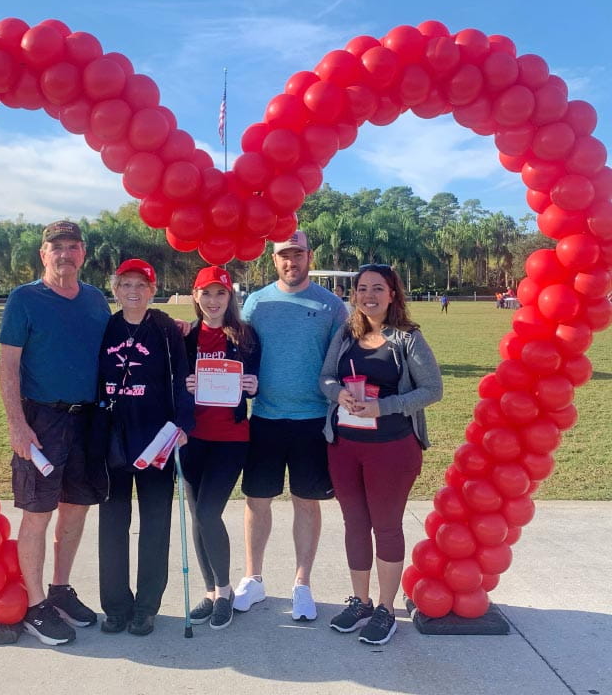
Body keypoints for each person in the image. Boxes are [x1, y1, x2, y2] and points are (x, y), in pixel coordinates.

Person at [0, 220, 111, 646]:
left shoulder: (96, 300)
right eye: (56, 246)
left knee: (77, 508)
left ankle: (61, 589)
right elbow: (8, 365)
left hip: (87, 420)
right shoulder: (25, 299)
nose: (65, 253)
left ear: (83, 253)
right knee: (37, 513)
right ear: (43, 254)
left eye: (73, 246)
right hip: (41, 419)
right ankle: (34, 604)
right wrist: (16, 423)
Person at [319, 264, 443, 645]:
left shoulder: (407, 338)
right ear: (353, 295)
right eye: (362, 289)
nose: (368, 295)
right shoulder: (345, 333)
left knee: (385, 526)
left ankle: (387, 610)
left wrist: (383, 407)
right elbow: (325, 377)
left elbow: (432, 390)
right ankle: (361, 602)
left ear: (393, 294)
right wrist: (335, 392)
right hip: (344, 446)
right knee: (355, 523)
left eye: (378, 288)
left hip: (391, 449)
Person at [234, 231, 348, 621]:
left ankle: (302, 584)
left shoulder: (332, 306)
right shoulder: (256, 302)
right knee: (257, 500)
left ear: (309, 257)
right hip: (265, 417)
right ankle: (253, 578)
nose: (291, 262)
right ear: (274, 259)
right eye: (284, 255)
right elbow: (238, 348)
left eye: (297, 254)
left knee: (306, 501)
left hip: (313, 420)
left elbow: (341, 363)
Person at [97, 258, 195, 637]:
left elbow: (181, 377)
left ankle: (147, 606)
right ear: (116, 289)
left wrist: (183, 425)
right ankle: (116, 605)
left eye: (141, 285)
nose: (133, 292)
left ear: (153, 290)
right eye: (125, 285)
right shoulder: (105, 326)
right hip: (112, 440)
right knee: (113, 523)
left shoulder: (166, 328)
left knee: (156, 523)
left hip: (155, 439)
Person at [182, 266, 261, 631]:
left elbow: (259, 379)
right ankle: (211, 591)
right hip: (191, 438)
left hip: (230, 439)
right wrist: (183, 384)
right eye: (206, 293)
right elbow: (170, 383)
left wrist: (252, 384)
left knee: (209, 513)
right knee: (197, 515)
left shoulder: (245, 336)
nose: (213, 301)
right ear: (196, 296)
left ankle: (226, 590)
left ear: (230, 298)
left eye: (221, 294)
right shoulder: (185, 337)